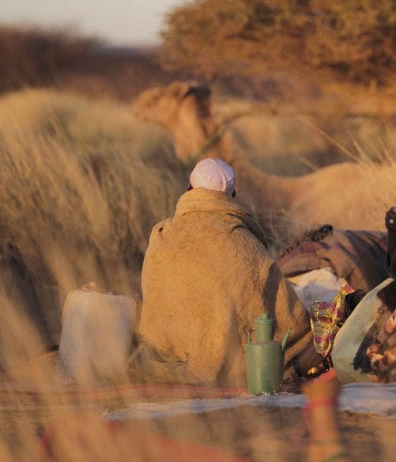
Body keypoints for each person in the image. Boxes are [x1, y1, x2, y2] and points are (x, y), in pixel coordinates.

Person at [138, 157, 322, 387]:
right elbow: (290, 317)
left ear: (189, 189)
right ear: (232, 197)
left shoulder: (161, 233)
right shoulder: (242, 241)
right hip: (226, 369)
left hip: (163, 358)